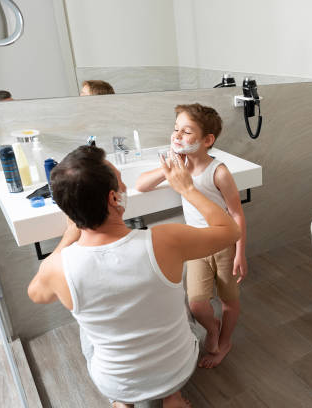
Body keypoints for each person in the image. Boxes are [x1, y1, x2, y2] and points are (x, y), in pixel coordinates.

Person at [28, 146, 239, 408]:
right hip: (179, 369)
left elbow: (36, 294)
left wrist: (70, 236)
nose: (126, 186)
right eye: (122, 181)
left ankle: (123, 402)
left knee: (86, 327)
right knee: (172, 303)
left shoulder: (58, 267)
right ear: (114, 199)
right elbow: (230, 231)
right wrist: (188, 189)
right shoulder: (166, 240)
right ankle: (171, 396)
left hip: (115, 381)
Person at [136, 104, 247, 369]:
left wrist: (240, 252)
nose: (177, 136)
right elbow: (140, 185)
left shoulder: (218, 172)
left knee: (229, 301)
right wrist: (172, 166)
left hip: (224, 245)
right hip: (195, 246)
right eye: (176, 130)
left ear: (207, 140)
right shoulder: (179, 168)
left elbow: (237, 214)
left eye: (186, 132)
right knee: (197, 305)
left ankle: (226, 341)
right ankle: (213, 328)